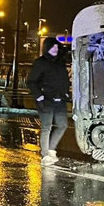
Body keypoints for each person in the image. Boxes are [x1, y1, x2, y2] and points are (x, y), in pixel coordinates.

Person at [28, 37, 70, 166]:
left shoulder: (60, 63)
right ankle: (45, 155)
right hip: (46, 100)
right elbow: (31, 81)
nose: (55, 49)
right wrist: (40, 97)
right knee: (47, 127)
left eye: (57, 47)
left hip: (60, 100)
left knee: (63, 125)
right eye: (53, 47)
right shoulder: (40, 63)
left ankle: (51, 150)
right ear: (47, 48)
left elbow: (64, 79)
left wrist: (66, 93)